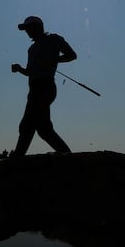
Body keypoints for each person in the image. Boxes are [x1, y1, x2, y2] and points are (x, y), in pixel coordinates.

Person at [10, 16, 77, 157]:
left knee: (27, 124)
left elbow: (72, 55)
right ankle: (67, 156)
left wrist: (53, 59)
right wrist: (19, 69)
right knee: (44, 129)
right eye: (25, 29)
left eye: (29, 28)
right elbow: (30, 72)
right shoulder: (32, 49)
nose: (27, 32)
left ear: (38, 27)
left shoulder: (53, 39)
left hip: (45, 87)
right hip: (34, 89)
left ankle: (17, 157)